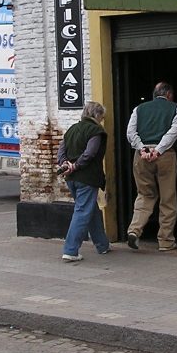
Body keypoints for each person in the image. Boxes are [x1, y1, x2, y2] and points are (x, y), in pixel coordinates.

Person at [125, 81, 177, 252]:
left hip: (141, 156)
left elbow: (131, 133)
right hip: (165, 156)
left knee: (144, 194)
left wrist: (142, 149)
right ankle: (165, 241)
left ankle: (134, 231)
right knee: (168, 198)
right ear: (169, 95)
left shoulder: (138, 109)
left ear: (154, 94)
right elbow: (173, 132)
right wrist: (158, 151)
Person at [57, 100, 111, 262]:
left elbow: (61, 151)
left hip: (71, 178)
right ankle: (71, 250)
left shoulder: (72, 129)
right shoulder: (96, 131)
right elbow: (90, 153)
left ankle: (102, 244)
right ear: (96, 115)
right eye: (101, 116)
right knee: (82, 212)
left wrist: (65, 164)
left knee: (91, 209)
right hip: (87, 177)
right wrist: (77, 165)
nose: (102, 120)